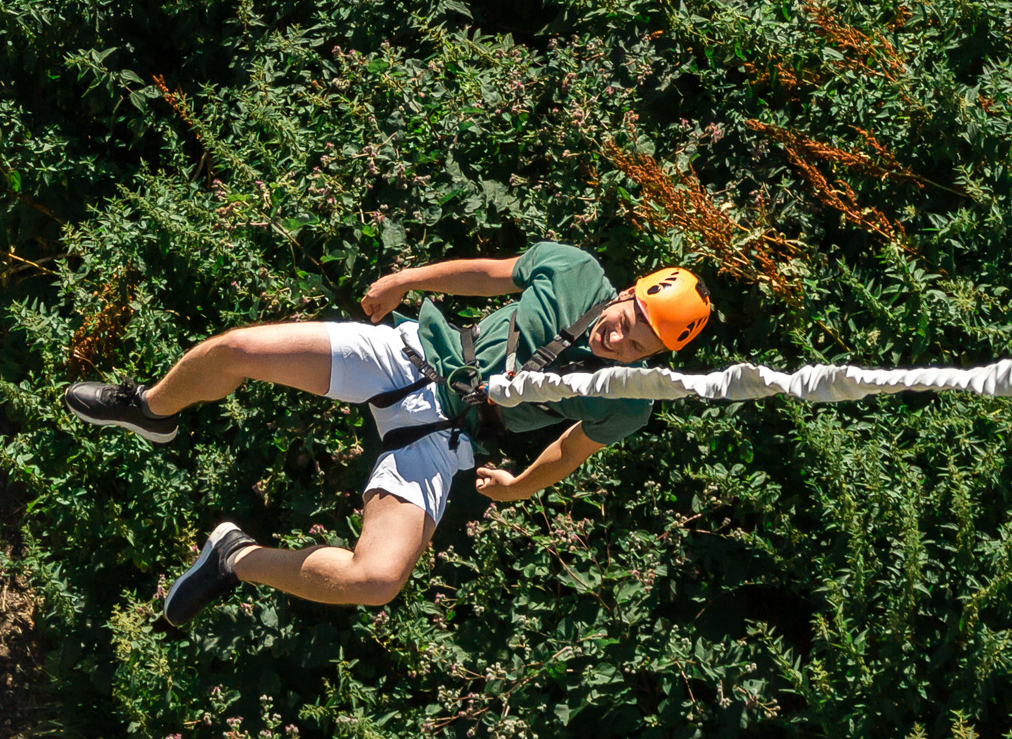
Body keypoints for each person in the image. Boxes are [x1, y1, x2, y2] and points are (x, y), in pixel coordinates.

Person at [62, 244, 712, 625]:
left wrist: (517, 487)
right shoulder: (573, 271)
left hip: (448, 435)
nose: (622, 335)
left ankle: (233, 557)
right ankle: (150, 407)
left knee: (377, 579)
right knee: (238, 349)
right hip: (416, 355)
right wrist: (408, 280)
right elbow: (489, 274)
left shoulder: (627, 399)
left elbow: (569, 448)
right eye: (633, 315)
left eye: (641, 340)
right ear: (629, 291)